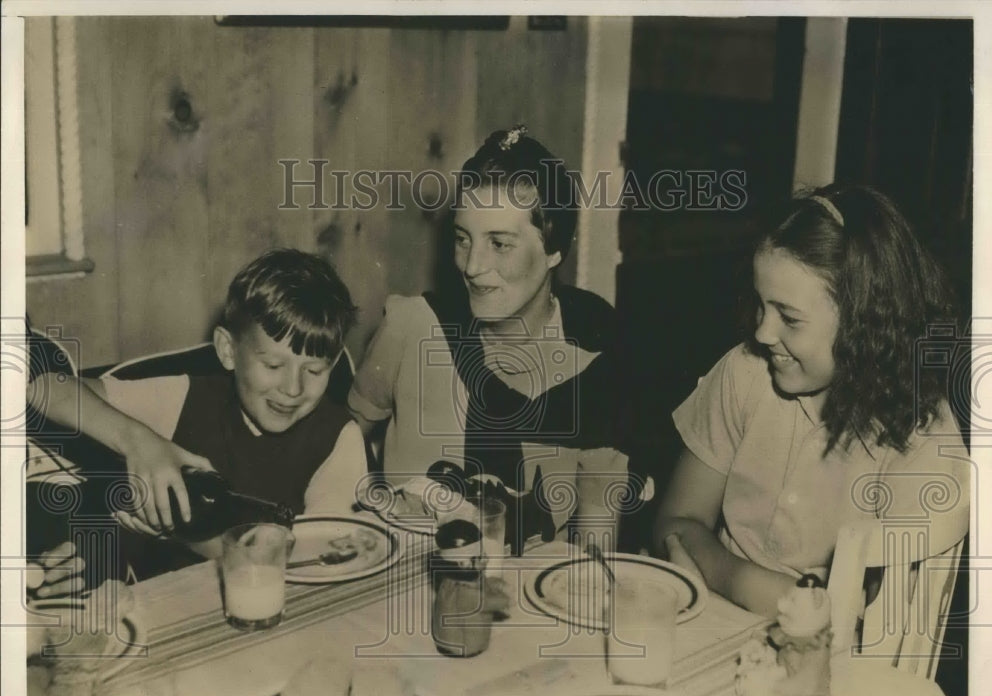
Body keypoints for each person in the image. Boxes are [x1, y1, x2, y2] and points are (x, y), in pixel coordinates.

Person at [653, 184, 970, 617]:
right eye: (762, 306)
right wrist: (750, 583)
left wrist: (720, 569)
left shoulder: (920, 438)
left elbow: (866, 624)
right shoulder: (745, 373)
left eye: (789, 317)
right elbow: (674, 522)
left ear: (864, 323)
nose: (763, 333)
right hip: (717, 615)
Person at [349, 126, 640, 552]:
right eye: (463, 239)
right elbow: (340, 440)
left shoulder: (597, 348)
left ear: (555, 248)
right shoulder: (413, 327)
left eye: (499, 244)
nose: (471, 266)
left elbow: (596, 534)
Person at [28, 249, 368, 565]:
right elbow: (43, 388)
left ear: (334, 363)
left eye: (314, 370)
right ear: (227, 350)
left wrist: (179, 532)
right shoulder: (186, 396)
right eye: (273, 366)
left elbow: (314, 563)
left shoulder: (338, 438)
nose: (293, 389)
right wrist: (139, 441)